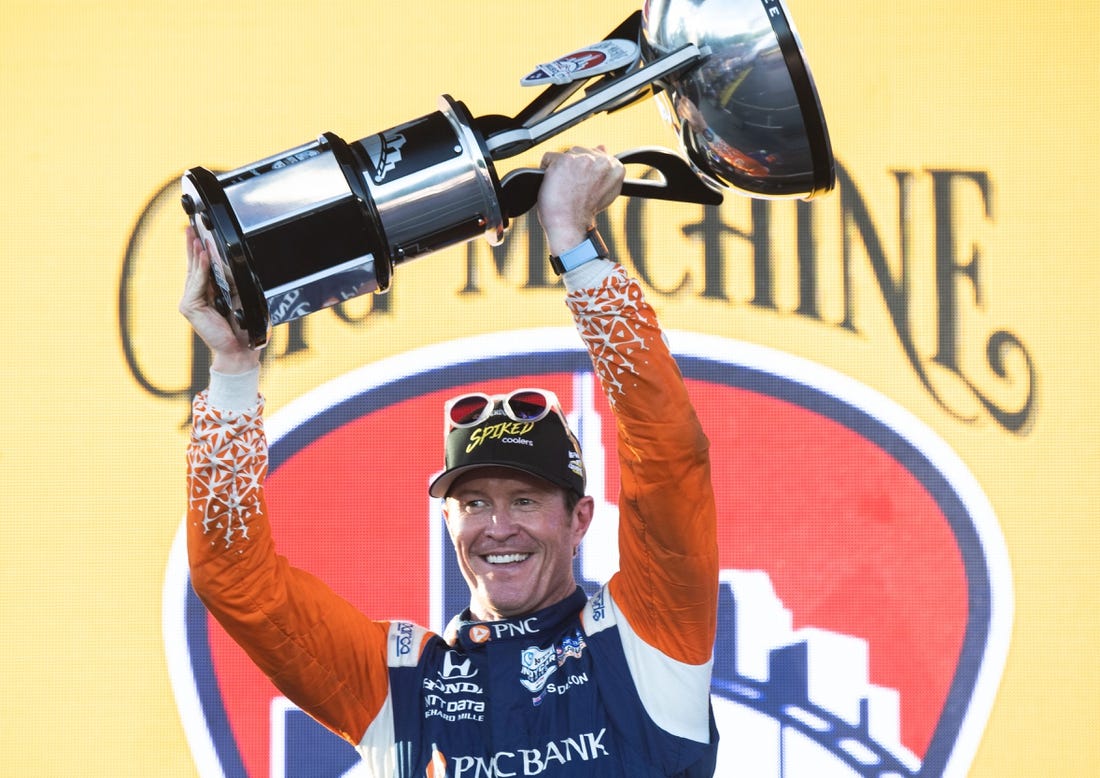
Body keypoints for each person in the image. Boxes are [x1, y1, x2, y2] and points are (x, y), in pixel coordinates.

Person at [181, 146, 720, 776]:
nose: (498, 527)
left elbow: (670, 454)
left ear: (579, 520)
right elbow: (233, 580)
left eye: (525, 500)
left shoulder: (644, 637)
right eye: (474, 503)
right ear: (446, 521)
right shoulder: (401, 682)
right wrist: (234, 371)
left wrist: (576, 248)